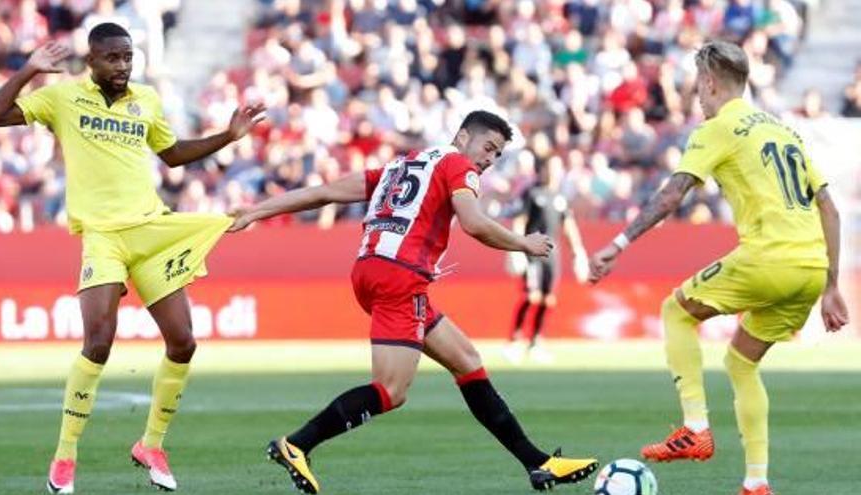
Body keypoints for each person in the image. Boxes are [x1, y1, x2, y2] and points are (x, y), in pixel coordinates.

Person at [230, 110, 598, 494]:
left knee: (467, 361)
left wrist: (257, 211)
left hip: (371, 270)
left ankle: (538, 463)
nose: (488, 160)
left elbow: (324, 192)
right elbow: (473, 223)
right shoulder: (458, 166)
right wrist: (524, 243)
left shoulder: (401, 165)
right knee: (391, 390)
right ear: (461, 138)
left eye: (497, 155)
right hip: (400, 277)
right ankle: (297, 444)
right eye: (487, 147)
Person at [0, 24, 265, 494]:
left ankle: (151, 444)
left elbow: (173, 155)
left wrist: (228, 137)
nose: (122, 66)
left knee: (183, 342)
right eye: (112, 58)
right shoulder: (63, 98)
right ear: (90, 60)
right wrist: (29, 69)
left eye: (128, 57)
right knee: (98, 342)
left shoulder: (147, 100)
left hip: (151, 232)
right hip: (103, 237)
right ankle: (65, 457)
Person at [587, 40, 849, 495]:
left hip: (769, 257)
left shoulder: (718, 127)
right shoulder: (784, 130)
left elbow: (673, 194)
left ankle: (695, 427)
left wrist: (618, 242)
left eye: (697, 87)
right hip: (809, 269)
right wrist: (831, 285)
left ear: (709, 82)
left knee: (676, 311)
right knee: (742, 363)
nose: (697, 97)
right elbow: (829, 206)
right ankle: (756, 483)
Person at [504, 156, 588, 364]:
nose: (555, 172)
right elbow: (520, 221)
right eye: (551, 168)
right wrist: (515, 248)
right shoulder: (531, 193)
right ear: (542, 170)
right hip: (531, 251)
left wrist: (578, 251)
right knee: (531, 296)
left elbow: (568, 226)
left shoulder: (560, 197)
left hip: (552, 254)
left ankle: (535, 342)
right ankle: (515, 340)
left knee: (548, 299)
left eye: (558, 168)